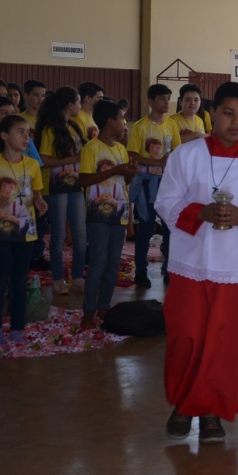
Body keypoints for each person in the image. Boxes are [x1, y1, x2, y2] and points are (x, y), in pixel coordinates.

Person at [155, 81, 238, 444]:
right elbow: (166, 202)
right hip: (191, 262)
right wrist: (202, 211)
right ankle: (183, 403)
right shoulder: (188, 155)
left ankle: (212, 412)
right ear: (212, 115)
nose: (235, 121)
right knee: (187, 335)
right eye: (228, 113)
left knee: (226, 342)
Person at [0, 115, 48, 347]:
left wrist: (41, 202)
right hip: (0, 233)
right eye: (20, 132)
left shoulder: (32, 165)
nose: (26, 137)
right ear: (4, 135)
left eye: (28, 132)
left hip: (26, 232)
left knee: (19, 280)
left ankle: (17, 328)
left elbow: (37, 192)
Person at [78, 99, 137, 330]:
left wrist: (129, 172)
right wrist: (116, 170)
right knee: (98, 262)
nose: (124, 123)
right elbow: (83, 180)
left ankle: (104, 307)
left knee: (113, 263)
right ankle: (89, 309)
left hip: (119, 212)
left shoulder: (121, 149)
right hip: (98, 214)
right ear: (110, 121)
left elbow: (124, 181)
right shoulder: (91, 148)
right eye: (121, 119)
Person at [36, 87, 87, 295]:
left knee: (80, 232)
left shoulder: (75, 126)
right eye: (78, 102)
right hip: (56, 185)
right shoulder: (50, 129)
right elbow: (44, 160)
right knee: (57, 233)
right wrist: (72, 159)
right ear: (69, 105)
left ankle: (77, 276)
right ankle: (57, 278)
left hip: (75, 185)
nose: (80, 106)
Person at [128, 83, 181, 287]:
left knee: (169, 226)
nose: (166, 102)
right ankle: (141, 271)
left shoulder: (171, 125)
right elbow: (132, 154)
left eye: (168, 98)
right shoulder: (141, 126)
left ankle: (169, 268)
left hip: (167, 183)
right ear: (150, 101)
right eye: (161, 98)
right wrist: (158, 162)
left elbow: (176, 151)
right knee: (147, 226)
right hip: (147, 181)